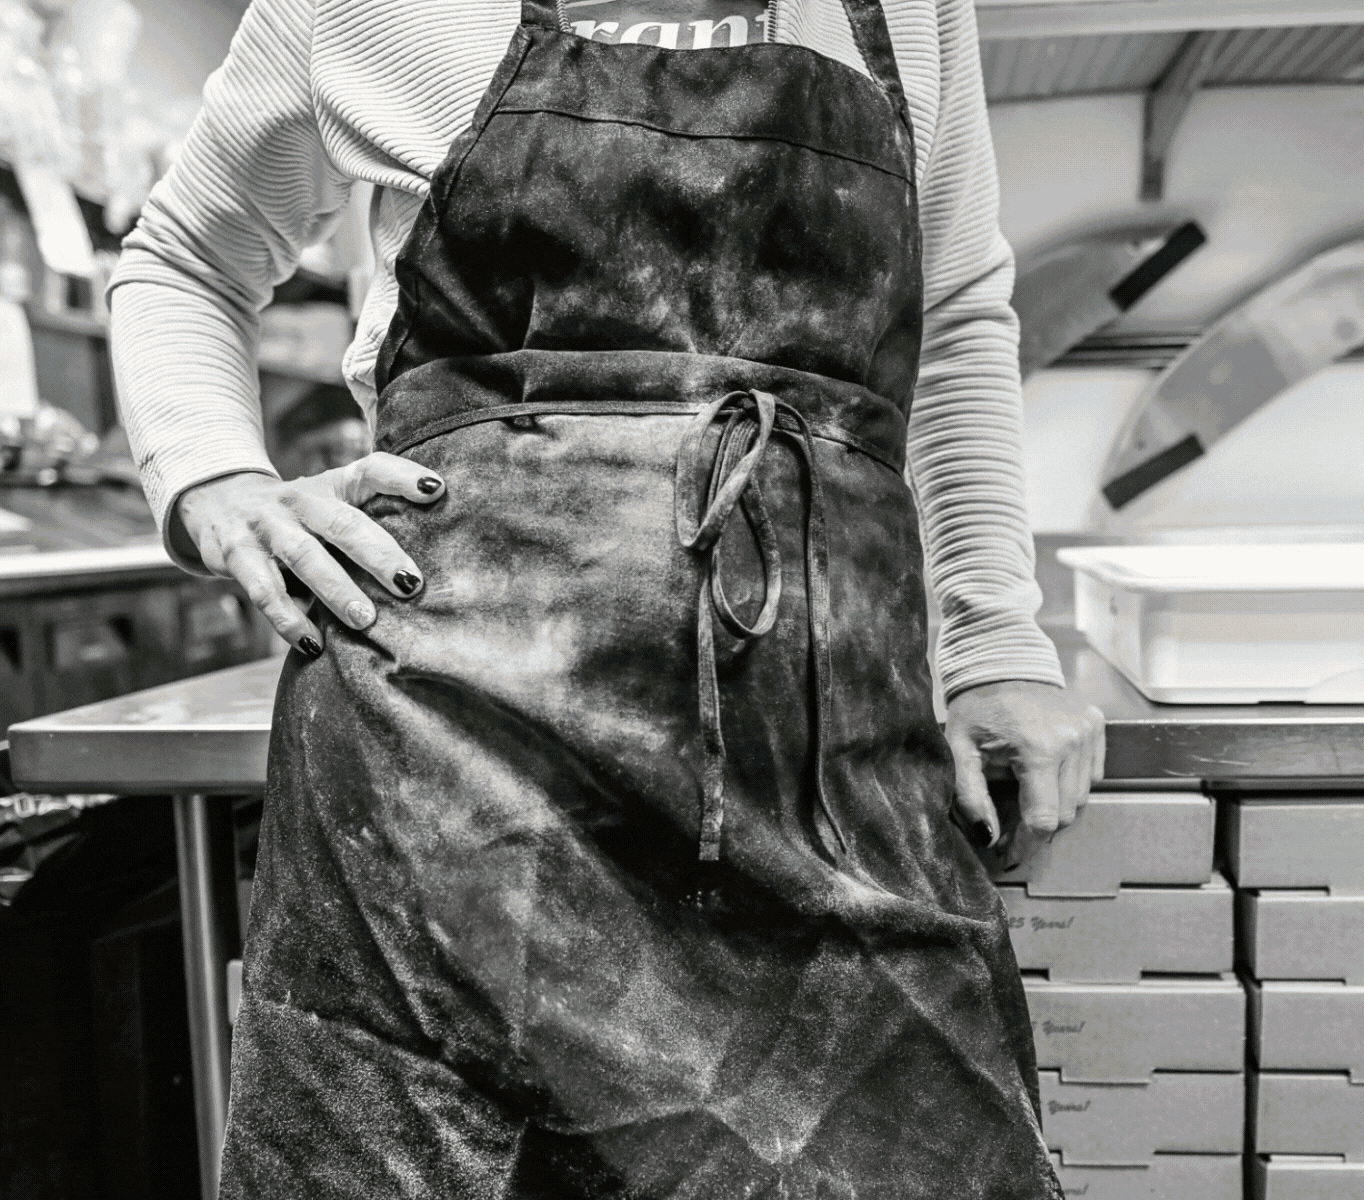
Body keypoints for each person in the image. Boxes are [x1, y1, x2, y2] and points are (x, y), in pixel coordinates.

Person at [108, 0, 1105, 1193]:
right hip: (443, 758)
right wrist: (218, 483)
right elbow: (183, 260)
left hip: (822, 746)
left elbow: (951, 325)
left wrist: (994, 636)